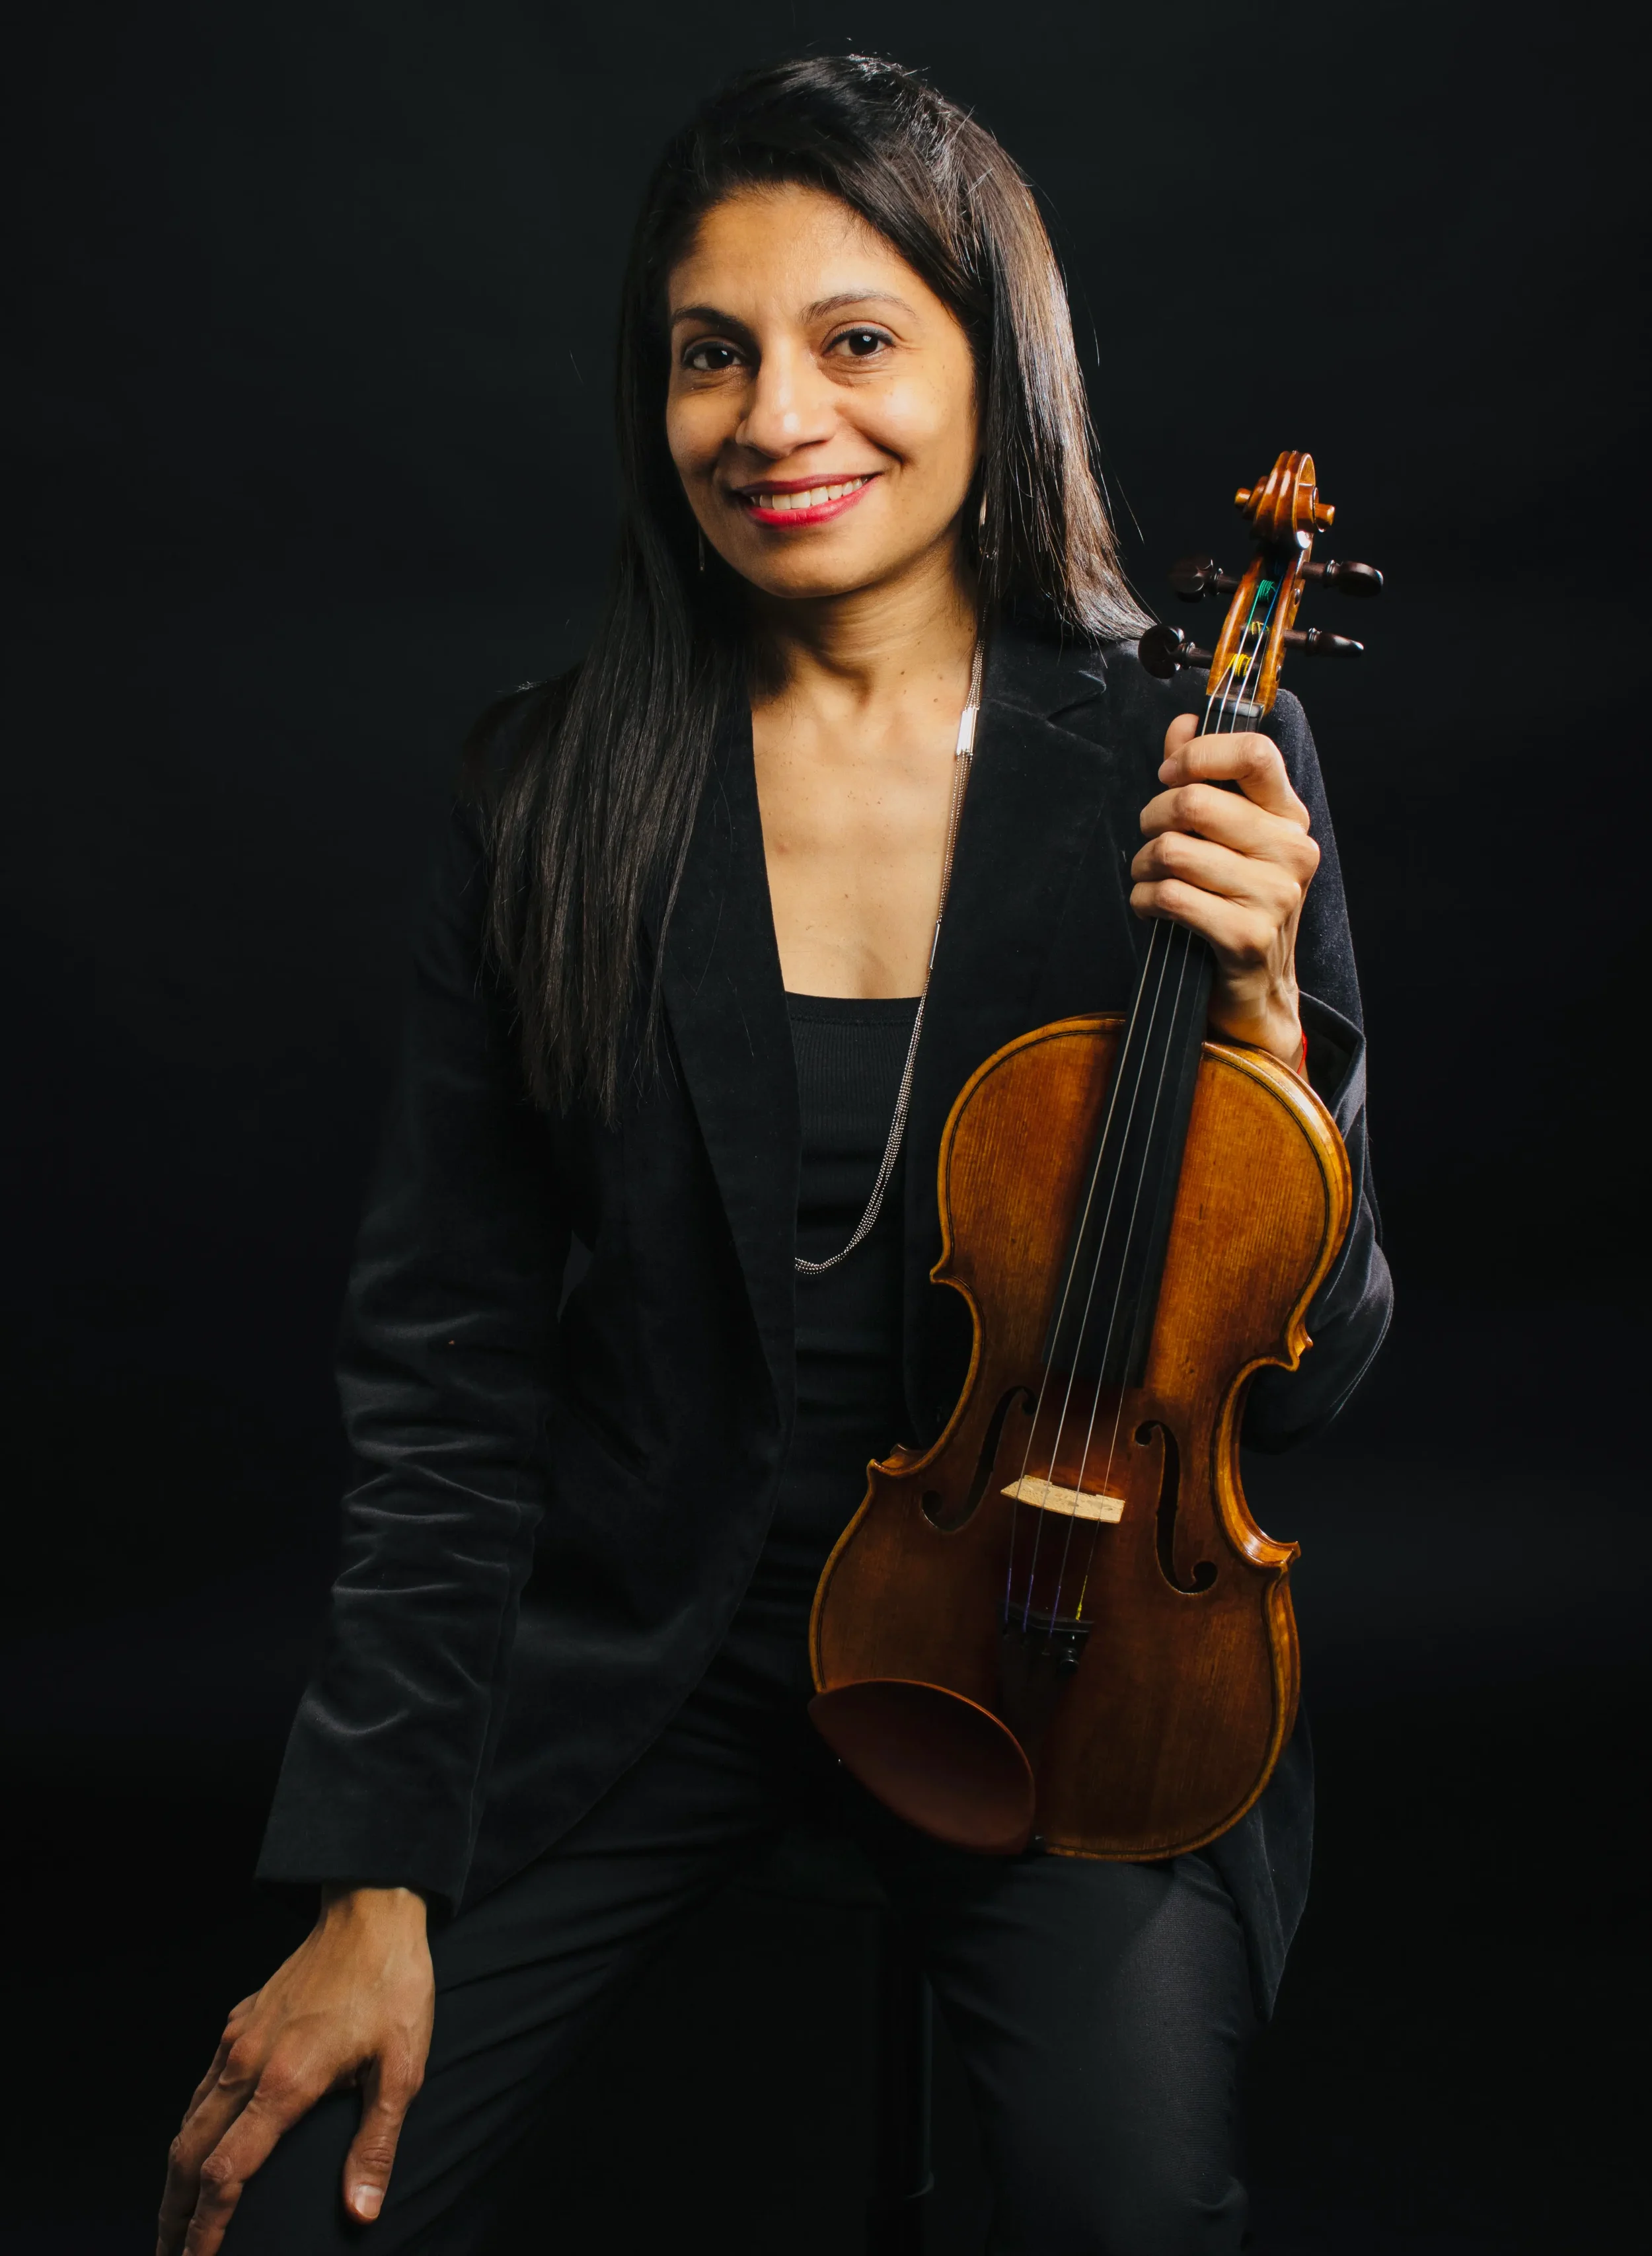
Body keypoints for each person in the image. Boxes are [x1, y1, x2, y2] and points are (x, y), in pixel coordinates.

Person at [157, 54, 1391, 2256]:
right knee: (273, 2221)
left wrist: (1274, 1035)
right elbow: (448, 1383)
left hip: (1069, 1656)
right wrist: (372, 1877)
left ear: (984, 368)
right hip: (655, 1660)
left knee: (1123, 2220)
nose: (771, 417)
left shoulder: (1191, 746)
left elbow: (1299, 1372)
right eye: (709, 353)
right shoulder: (548, 791)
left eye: (852, 342)